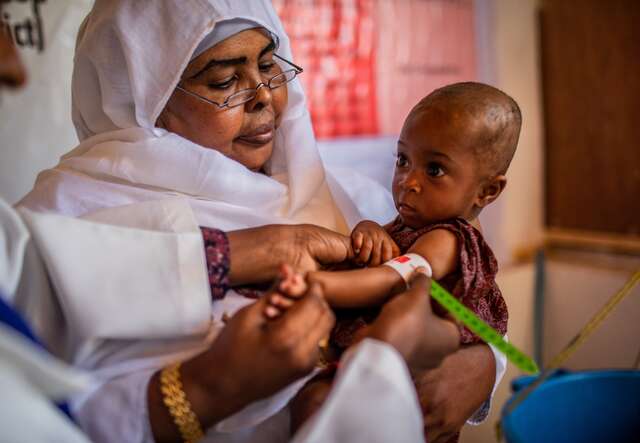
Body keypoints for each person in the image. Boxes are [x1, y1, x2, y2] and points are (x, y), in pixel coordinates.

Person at [15, 1, 504, 441]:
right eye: (224, 81)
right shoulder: (59, 219)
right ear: (145, 98)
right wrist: (208, 389)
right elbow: (33, 417)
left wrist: (483, 367)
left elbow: (459, 297)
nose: (264, 97)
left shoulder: (352, 199)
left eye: (269, 66)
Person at [286, 83, 520, 437]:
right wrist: (369, 230)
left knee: (316, 404)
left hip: (417, 374)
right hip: (382, 360)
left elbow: (393, 278)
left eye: (435, 170)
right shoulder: (415, 220)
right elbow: (387, 245)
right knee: (313, 403)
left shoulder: (448, 238)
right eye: (402, 160)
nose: (407, 181)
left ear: (487, 191)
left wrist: (316, 284)